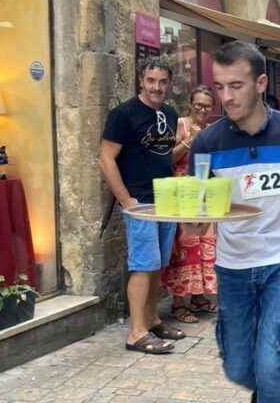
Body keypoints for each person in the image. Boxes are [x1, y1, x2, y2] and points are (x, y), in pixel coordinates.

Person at [188, 41, 280, 403]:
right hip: (233, 264)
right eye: (219, 86)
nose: (226, 97)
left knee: (271, 361)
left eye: (235, 86)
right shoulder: (206, 144)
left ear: (260, 83)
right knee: (240, 366)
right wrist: (190, 222)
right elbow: (196, 212)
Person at [99, 56, 185, 355]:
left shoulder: (170, 114)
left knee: (158, 263)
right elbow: (106, 158)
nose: (156, 87)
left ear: (169, 83)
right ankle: (136, 332)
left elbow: (163, 156)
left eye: (162, 81)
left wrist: (186, 147)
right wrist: (126, 200)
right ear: (141, 81)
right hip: (140, 199)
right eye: (151, 81)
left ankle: (152, 319)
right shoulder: (123, 114)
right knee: (143, 264)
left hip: (166, 198)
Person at [162, 85, 218, 323]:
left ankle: (198, 297)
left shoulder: (213, 130)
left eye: (207, 105)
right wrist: (189, 142)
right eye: (198, 104)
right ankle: (178, 304)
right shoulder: (181, 125)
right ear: (190, 104)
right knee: (185, 248)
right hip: (182, 194)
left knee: (205, 247)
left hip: (206, 195)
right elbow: (168, 159)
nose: (202, 109)